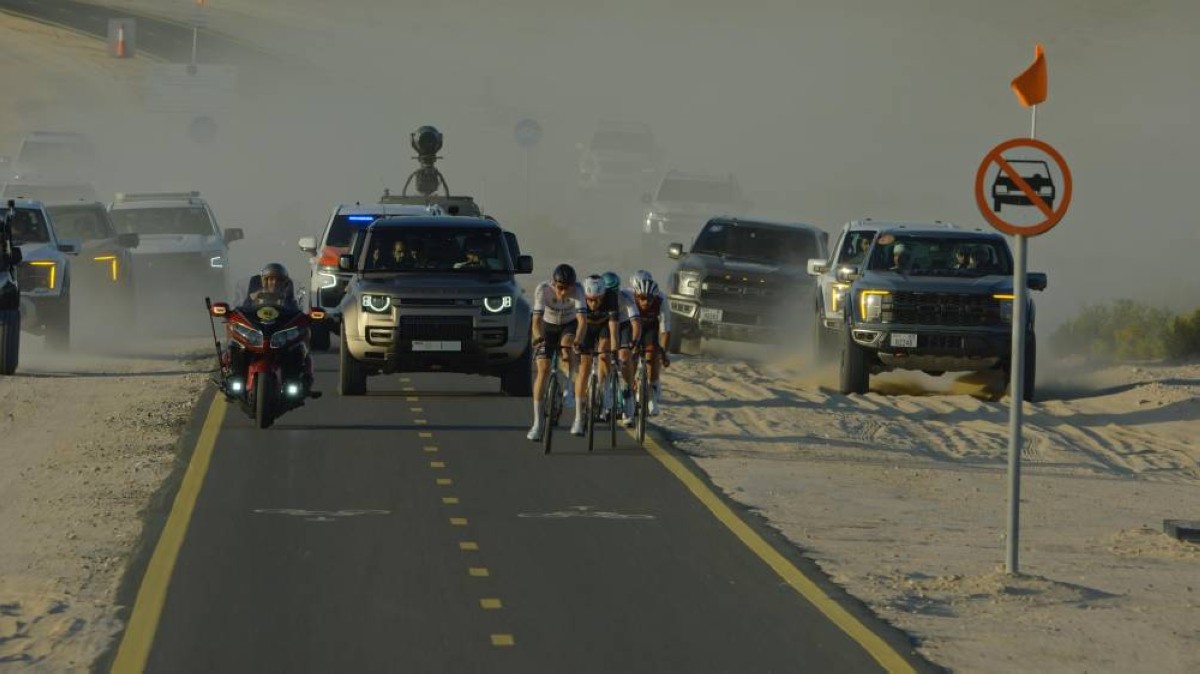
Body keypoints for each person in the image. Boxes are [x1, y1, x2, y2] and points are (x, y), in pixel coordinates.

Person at [527, 263, 587, 441]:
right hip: (547, 327)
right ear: (553, 283)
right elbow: (536, 320)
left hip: (568, 325)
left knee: (568, 347)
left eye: (568, 288)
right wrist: (538, 338)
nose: (563, 292)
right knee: (543, 369)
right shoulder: (543, 290)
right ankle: (537, 424)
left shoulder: (579, 290)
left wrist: (578, 340)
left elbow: (582, 321)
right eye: (560, 288)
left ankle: (569, 386)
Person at [574, 275, 620, 435]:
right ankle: (578, 418)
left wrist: (614, 352)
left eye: (597, 300)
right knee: (584, 368)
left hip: (603, 327)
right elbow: (578, 324)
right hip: (586, 327)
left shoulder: (611, 298)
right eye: (590, 300)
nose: (593, 304)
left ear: (603, 296)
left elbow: (614, 330)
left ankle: (603, 388)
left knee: (604, 353)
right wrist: (577, 343)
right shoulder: (580, 297)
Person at [628, 270, 671, 420]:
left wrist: (663, 353)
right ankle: (629, 394)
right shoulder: (628, 297)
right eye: (642, 298)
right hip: (633, 327)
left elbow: (665, 330)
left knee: (653, 354)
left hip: (651, 328)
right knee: (631, 356)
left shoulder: (661, 299)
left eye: (650, 299)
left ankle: (652, 389)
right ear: (635, 293)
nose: (646, 302)